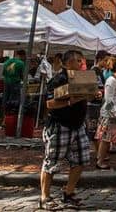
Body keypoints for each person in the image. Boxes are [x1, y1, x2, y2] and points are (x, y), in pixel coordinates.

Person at [40, 50, 97, 210]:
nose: (81, 63)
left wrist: (93, 95)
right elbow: (49, 104)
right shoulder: (58, 80)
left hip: (78, 126)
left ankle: (69, 192)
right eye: (78, 61)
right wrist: (70, 101)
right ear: (67, 63)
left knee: (81, 159)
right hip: (60, 125)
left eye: (82, 61)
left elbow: (92, 97)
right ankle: (45, 197)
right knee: (52, 162)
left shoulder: (82, 78)